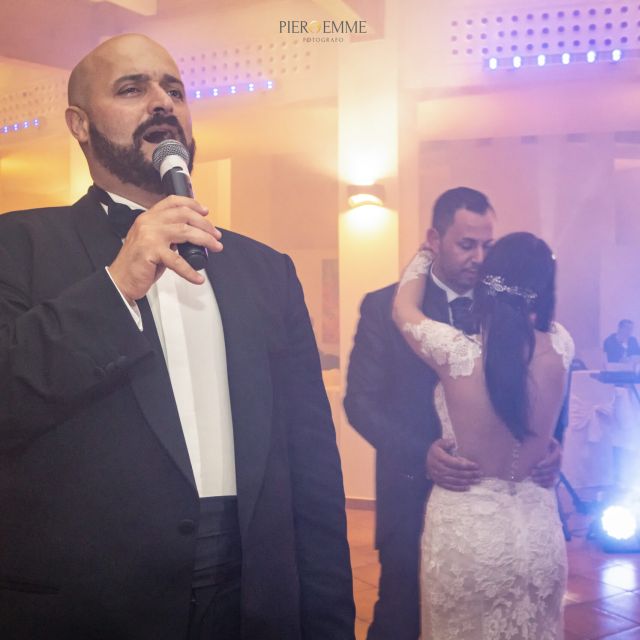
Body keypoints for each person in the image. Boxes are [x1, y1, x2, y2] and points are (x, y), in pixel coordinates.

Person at [0, 34, 354, 640]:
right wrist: (116, 285)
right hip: (90, 605)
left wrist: (328, 621)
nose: (162, 102)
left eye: (175, 91)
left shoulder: (267, 270)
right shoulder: (18, 245)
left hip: (253, 596)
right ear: (79, 124)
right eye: (131, 89)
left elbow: (311, 463)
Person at [343, 187, 561, 640]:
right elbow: (360, 402)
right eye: (466, 244)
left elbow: (544, 374)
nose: (479, 258)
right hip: (411, 495)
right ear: (434, 239)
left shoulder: (508, 306)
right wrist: (422, 453)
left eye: (487, 245)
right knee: (400, 618)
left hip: (499, 517)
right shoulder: (383, 307)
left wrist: (549, 443)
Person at [393, 232, 573, 639]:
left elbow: (403, 308)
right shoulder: (562, 345)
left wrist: (425, 254)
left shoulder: (454, 353)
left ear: (485, 283)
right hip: (539, 535)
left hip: (470, 536)